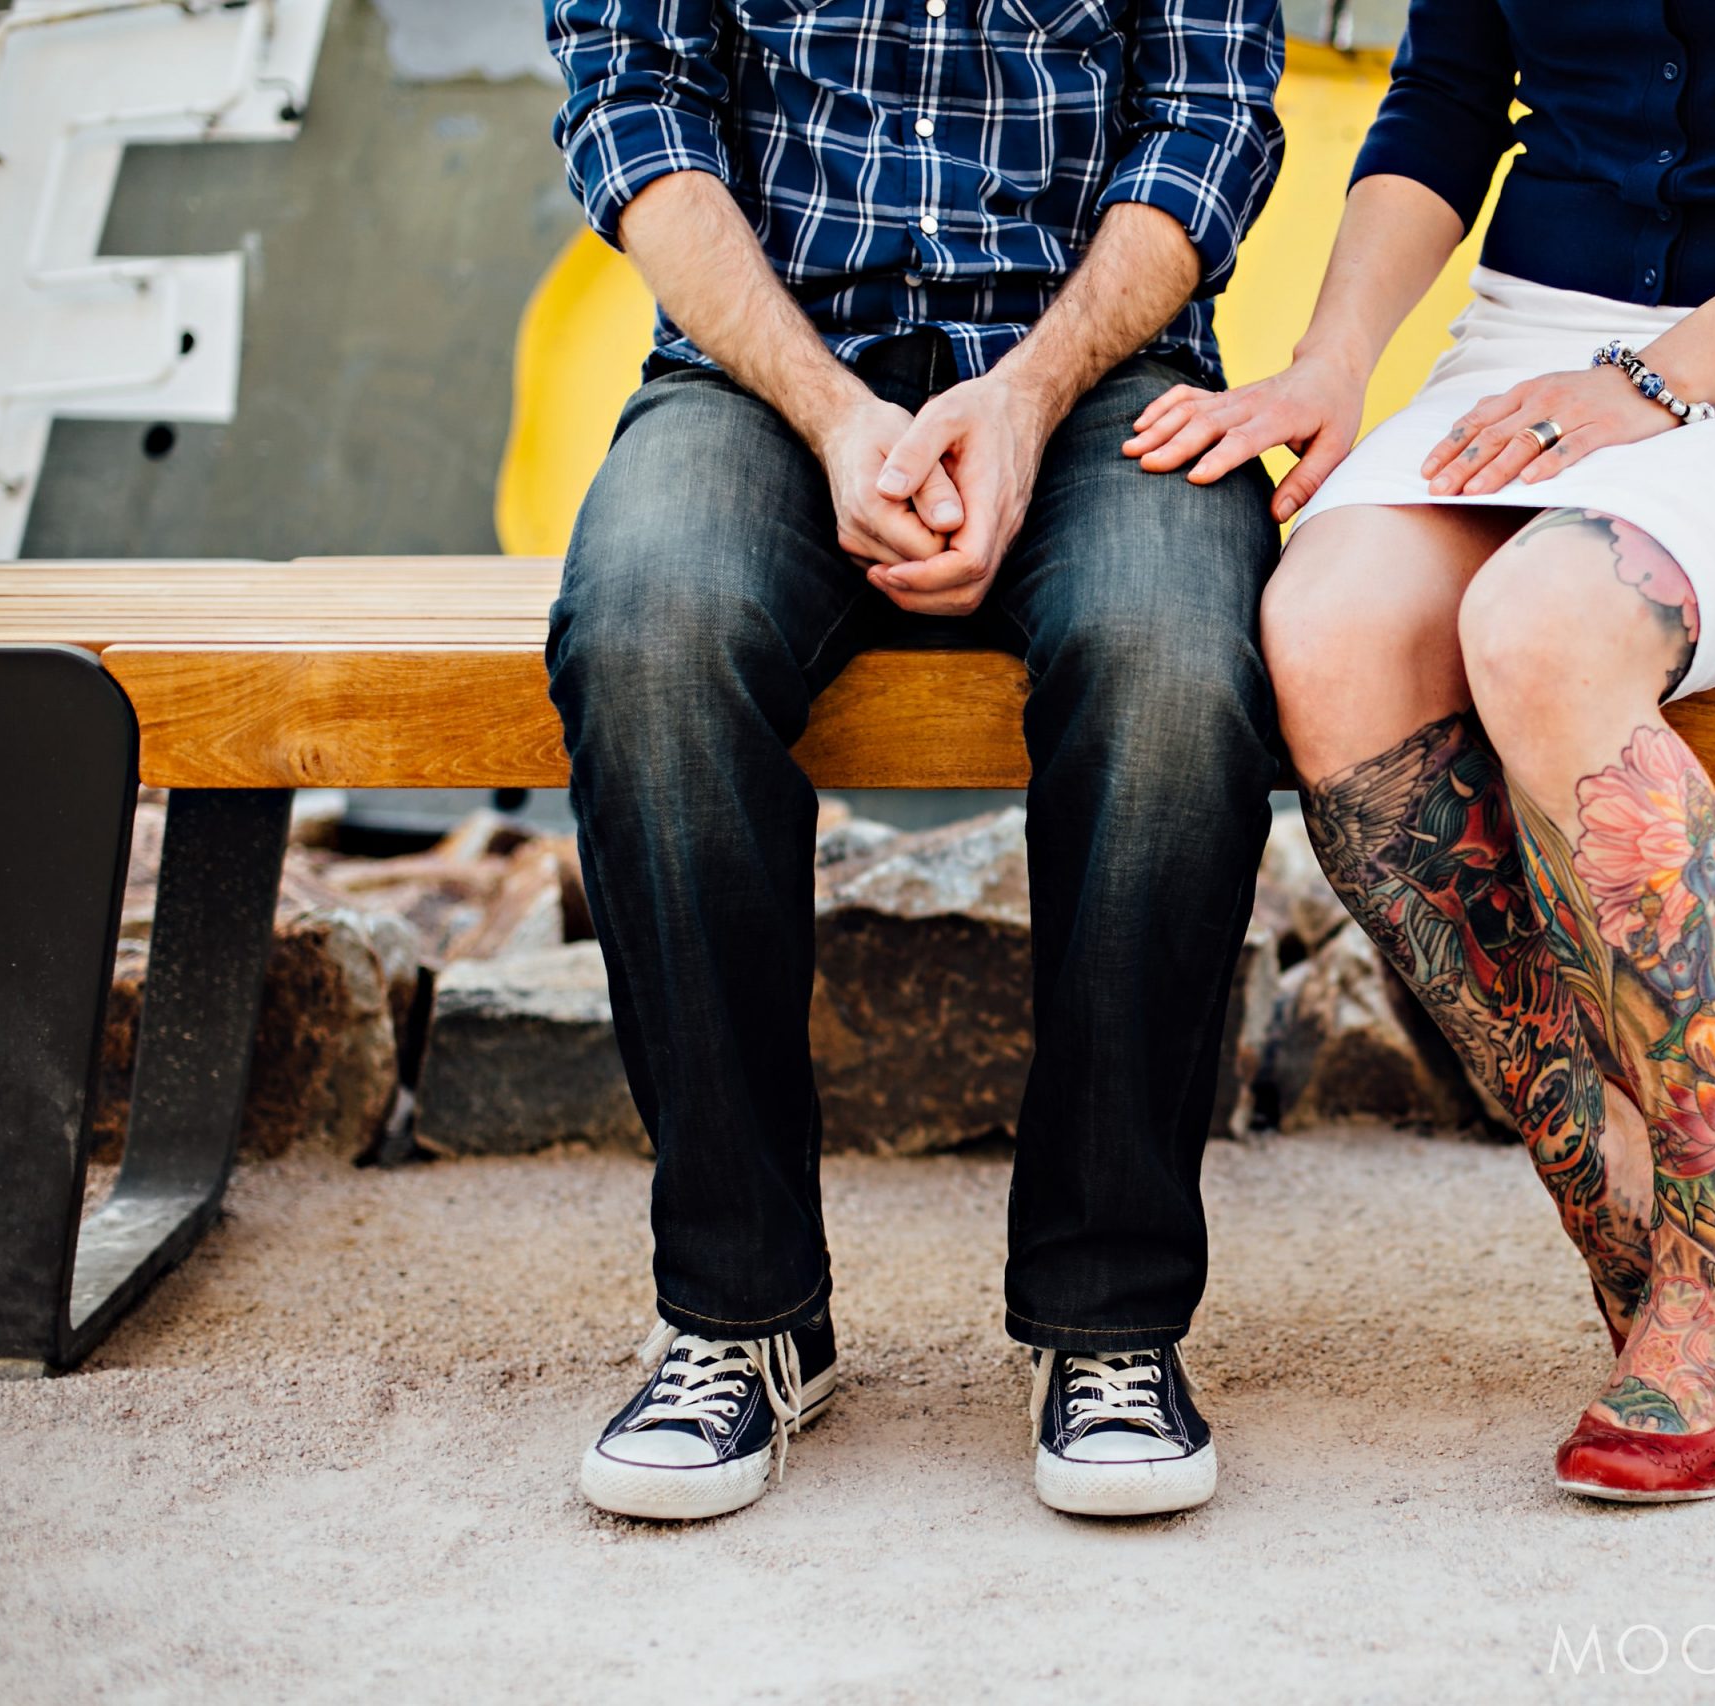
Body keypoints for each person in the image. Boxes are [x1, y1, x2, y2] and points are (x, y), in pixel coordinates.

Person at [1130, 0, 1715, 1500]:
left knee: (1547, 627)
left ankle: (1709, 1254)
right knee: (1328, 632)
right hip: (1531, 347)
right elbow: (1444, 94)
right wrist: (1334, 362)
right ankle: (1614, 1198)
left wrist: (1653, 385)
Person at [543, 0, 1285, 1522]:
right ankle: (739, 1313)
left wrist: (1022, 395)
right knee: (648, 632)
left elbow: (1208, 118)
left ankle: (1109, 1322)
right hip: (764, 371)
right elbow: (634, 103)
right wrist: (831, 414)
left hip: (1101, 374)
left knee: (1172, 662)